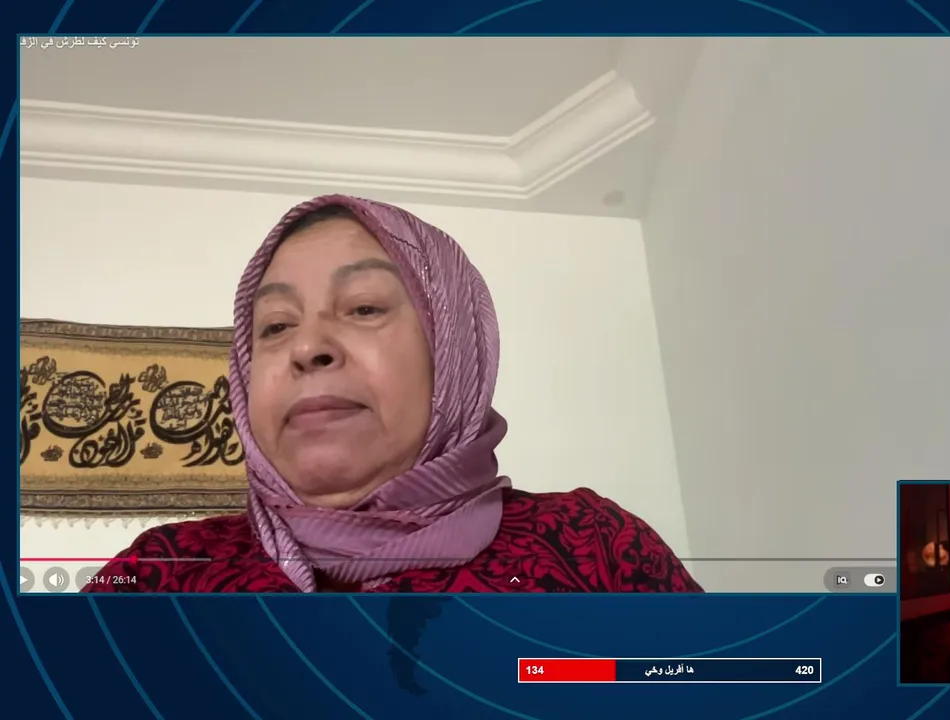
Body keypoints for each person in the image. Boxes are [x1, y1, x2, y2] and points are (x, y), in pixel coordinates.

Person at [82, 195, 703, 593]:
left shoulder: (591, 545)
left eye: (363, 307)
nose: (307, 346)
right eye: (275, 326)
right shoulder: (160, 575)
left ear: (452, 353)